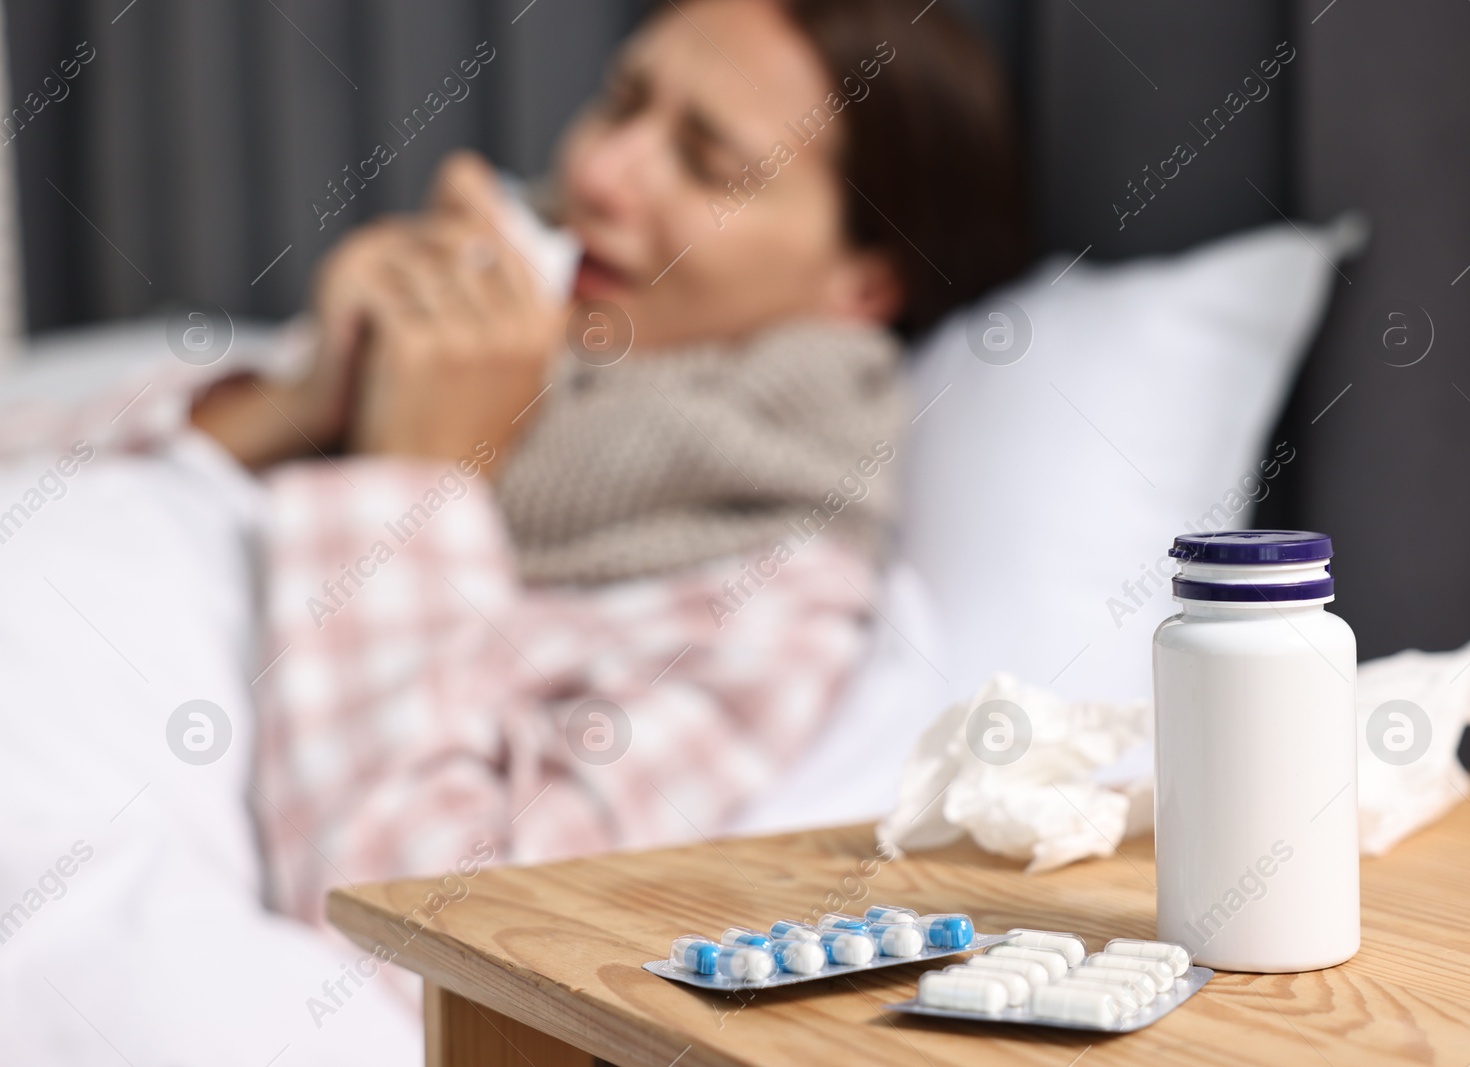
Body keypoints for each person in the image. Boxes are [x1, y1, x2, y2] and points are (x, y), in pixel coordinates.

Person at [204, 0, 1031, 922]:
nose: (596, 173)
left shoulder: (775, 611)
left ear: (866, 283)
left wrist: (415, 480)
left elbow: (435, 935)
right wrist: (302, 402)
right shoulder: (433, 365)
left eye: (709, 163)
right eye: (619, 102)